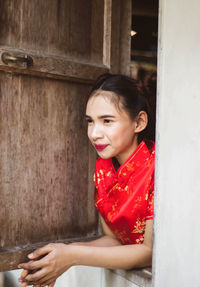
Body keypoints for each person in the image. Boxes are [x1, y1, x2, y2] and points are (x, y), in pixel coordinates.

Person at [18, 72, 156, 287]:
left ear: (139, 122)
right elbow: (115, 241)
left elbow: (148, 252)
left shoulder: (160, 168)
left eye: (107, 121)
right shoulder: (103, 168)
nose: (94, 134)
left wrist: (72, 255)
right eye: (90, 121)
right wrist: (59, 255)